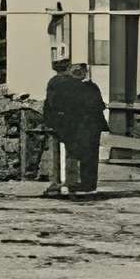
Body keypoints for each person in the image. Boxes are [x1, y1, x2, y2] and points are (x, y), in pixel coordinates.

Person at [40, 58, 105, 200]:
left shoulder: (60, 84)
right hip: (85, 126)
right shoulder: (88, 87)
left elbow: (53, 104)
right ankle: (83, 183)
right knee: (86, 155)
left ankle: (73, 182)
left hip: (77, 125)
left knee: (75, 153)